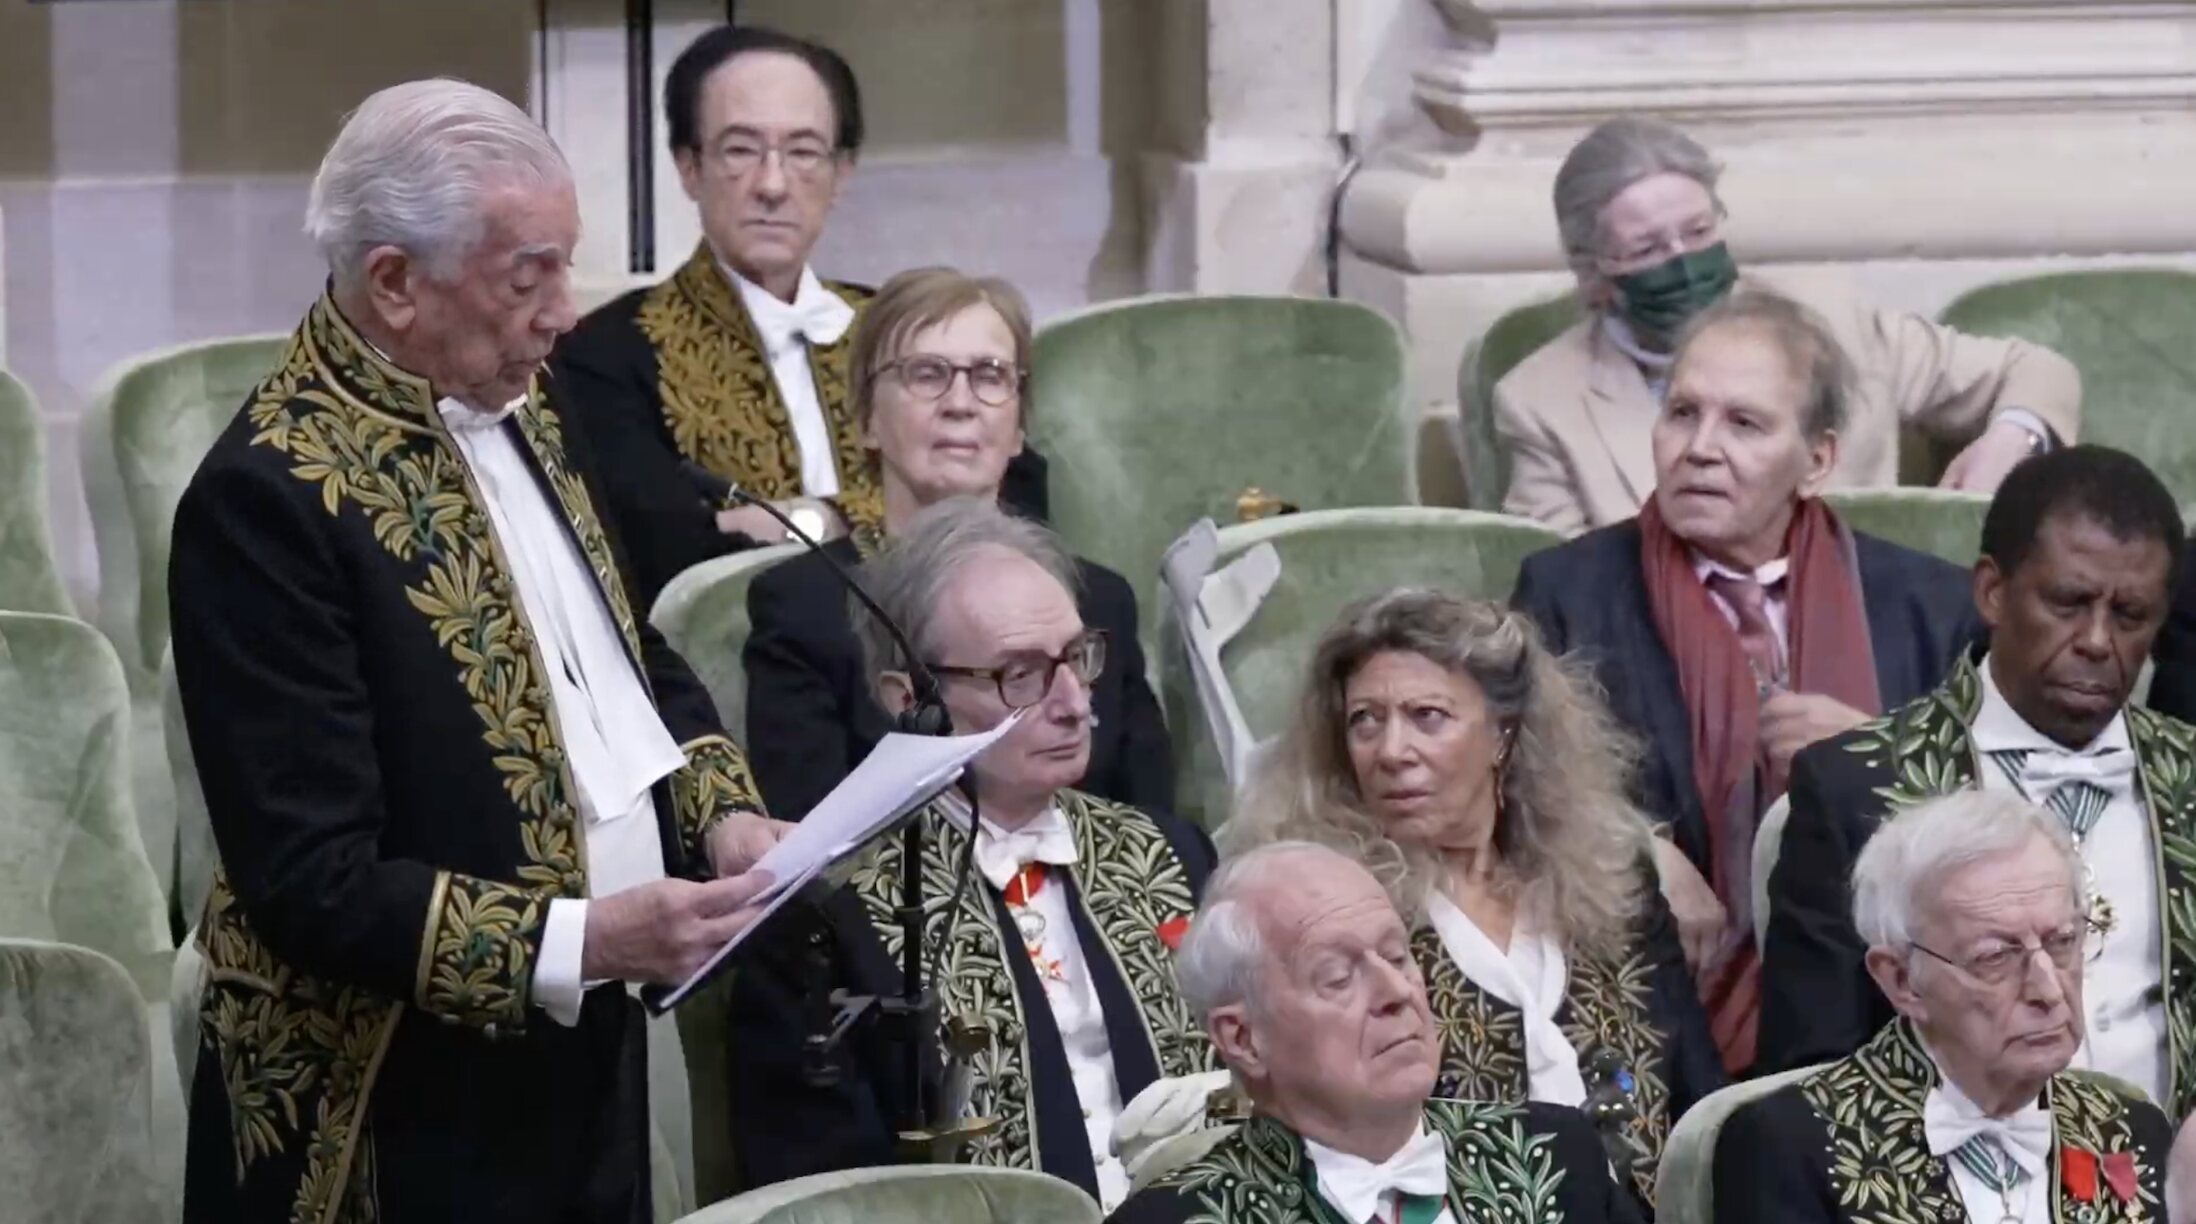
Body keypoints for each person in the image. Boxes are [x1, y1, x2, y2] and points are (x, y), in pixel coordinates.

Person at [170, 81, 785, 1223]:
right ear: (394, 282)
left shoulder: (532, 400)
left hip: (588, 1053)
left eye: (568, 264)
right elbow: (312, 881)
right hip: (387, 1113)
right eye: (529, 275)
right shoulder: (261, 499)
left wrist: (721, 811)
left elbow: (620, 656)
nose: (566, 311)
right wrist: (588, 935)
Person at [1512, 289, 1980, 1074]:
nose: (1699, 447)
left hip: (1894, 1003)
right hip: (1656, 998)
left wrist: (1877, 756)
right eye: (1683, 413)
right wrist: (1638, 848)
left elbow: (2000, 807)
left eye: (1745, 424)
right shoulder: (1571, 593)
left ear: (1819, 459)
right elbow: (1516, 783)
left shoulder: (1930, 606)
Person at [726, 498, 1214, 1209]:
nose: (1075, 703)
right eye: (1021, 674)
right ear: (908, 699)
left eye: (1078, 658)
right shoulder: (826, 920)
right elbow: (822, 1197)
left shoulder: (1172, 855)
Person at [1223, 588, 1721, 1212]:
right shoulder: (1333, 917)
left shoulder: (1612, 882)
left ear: (1502, 737)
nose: (1391, 751)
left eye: (1427, 716)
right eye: (1365, 721)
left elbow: (1700, 1098)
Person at [1757, 445, 2196, 1123]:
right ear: (1992, 591)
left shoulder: (2191, 776)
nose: (2098, 641)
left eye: (2130, 616)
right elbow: (1809, 1086)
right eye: (2069, 603)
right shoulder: (1857, 789)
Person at [551, 25, 1046, 608]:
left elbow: (1020, 497)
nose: (772, 184)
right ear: (689, 166)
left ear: (842, 173)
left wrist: (812, 519)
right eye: (740, 150)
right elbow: (660, 551)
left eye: (804, 152)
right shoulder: (605, 354)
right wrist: (900, 513)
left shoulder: (902, 325)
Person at [1494, 115, 2081, 536]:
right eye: (1647, 247)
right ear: (1595, 272)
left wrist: (2011, 440)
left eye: (1698, 232)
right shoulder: (1540, 399)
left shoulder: (1830, 317)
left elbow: (2034, 370)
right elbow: (1561, 585)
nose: (1683, 260)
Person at [742, 266, 1172, 820]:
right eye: (926, 374)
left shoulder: (1099, 600)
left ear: (1019, 427)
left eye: (990, 376)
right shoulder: (801, 606)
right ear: (867, 420)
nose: (960, 403)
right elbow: (808, 844)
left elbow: (1153, 827)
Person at [1108, 841, 1642, 1224]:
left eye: (1396, 955)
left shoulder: (1556, 1154)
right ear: (1245, 1040)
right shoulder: (1170, 1218)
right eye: (1338, 977)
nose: (1397, 991)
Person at [1715, 791, 2173, 1223]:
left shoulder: (2130, 1127)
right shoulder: (1789, 1146)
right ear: (1901, 980)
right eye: (1995, 957)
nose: (2049, 990)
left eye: (2063, 942)